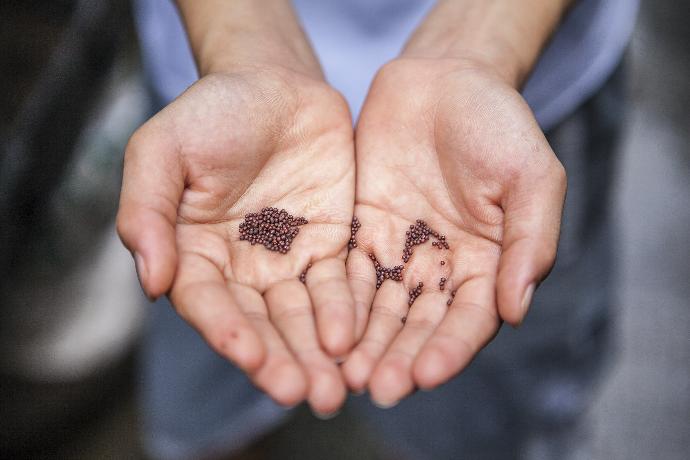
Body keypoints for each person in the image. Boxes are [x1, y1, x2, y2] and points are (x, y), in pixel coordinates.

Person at [117, 0, 639, 458]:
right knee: (207, 391)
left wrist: (480, 42)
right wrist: (242, 39)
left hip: (505, 110)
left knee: (475, 425)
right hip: (227, 131)